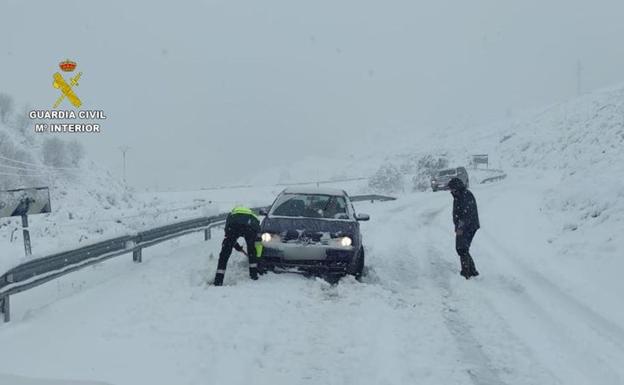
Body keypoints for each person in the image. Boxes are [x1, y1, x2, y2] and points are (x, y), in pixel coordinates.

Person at [213, 206, 262, 286]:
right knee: (252, 250)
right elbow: (258, 243)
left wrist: (235, 246)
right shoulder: (255, 219)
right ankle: (254, 275)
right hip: (249, 227)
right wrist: (258, 258)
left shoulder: (232, 214)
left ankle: (218, 280)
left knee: (225, 253)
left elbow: (229, 235)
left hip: (233, 225)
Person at [448, 178, 480, 279]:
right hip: (466, 226)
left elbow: (466, 214)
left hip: (468, 226)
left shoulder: (465, 195)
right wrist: (457, 225)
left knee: (461, 248)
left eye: (452, 189)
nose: (451, 191)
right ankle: (472, 271)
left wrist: (460, 227)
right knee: (463, 248)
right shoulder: (459, 195)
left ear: (457, 187)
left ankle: (466, 273)